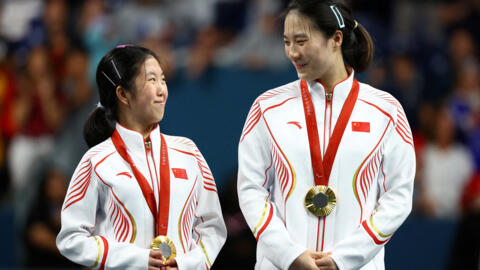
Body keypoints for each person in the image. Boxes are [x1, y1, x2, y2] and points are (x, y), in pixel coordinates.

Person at [237, 1, 416, 270]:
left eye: (301, 41)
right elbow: (251, 190)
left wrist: (343, 259)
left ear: (336, 39)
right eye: (286, 42)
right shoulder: (267, 108)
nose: (292, 52)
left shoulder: (386, 111)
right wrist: (290, 255)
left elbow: (398, 198)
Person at [56, 45, 226, 270]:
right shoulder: (96, 161)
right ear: (123, 94)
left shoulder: (188, 152)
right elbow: (71, 238)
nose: (162, 90)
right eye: (152, 80)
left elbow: (212, 227)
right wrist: (135, 260)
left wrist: (186, 264)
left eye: (163, 80)